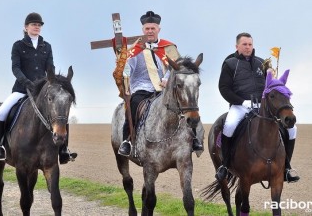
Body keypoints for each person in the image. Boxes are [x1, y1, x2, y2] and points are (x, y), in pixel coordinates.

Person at [0, 12, 77, 164]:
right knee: (1, 112)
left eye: (39, 25)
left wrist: (53, 82)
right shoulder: (18, 45)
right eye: (33, 24)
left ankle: (63, 149)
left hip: (42, 91)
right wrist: (26, 82)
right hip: (21, 89)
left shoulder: (47, 46)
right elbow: (15, 68)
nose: (36, 27)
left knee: (60, 111)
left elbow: (50, 67)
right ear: (26, 28)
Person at [215, 32, 299, 182]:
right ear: (237, 46)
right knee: (229, 125)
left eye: (250, 44)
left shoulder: (262, 62)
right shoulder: (230, 64)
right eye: (244, 44)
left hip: (264, 106)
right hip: (240, 105)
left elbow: (271, 86)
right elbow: (224, 89)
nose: (248, 47)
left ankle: (286, 167)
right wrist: (241, 101)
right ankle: (225, 165)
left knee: (292, 129)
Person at [118, 11, 203, 156]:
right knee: (133, 105)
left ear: (158, 29)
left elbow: (179, 67)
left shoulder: (169, 48)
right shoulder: (134, 49)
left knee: (187, 103)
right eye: (147, 29)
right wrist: (122, 65)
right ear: (143, 30)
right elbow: (127, 70)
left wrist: (167, 78)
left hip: (165, 88)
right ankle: (128, 140)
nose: (150, 31)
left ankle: (194, 138)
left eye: (153, 28)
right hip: (142, 87)